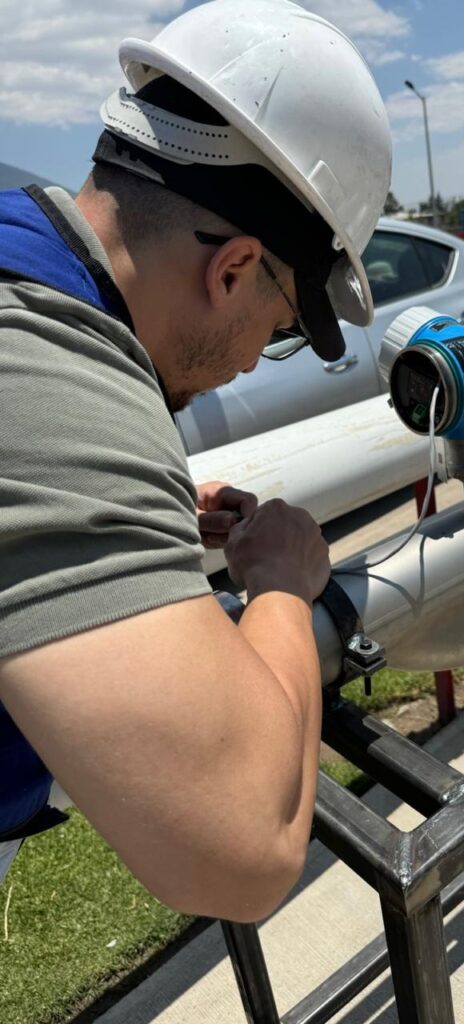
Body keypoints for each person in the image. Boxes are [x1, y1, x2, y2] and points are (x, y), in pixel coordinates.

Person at [0, 0, 391, 922]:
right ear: (233, 268)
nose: (255, 358)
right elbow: (241, 849)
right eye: (283, 327)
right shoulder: (42, 360)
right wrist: (284, 588)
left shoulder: (30, 261)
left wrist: (138, 520)